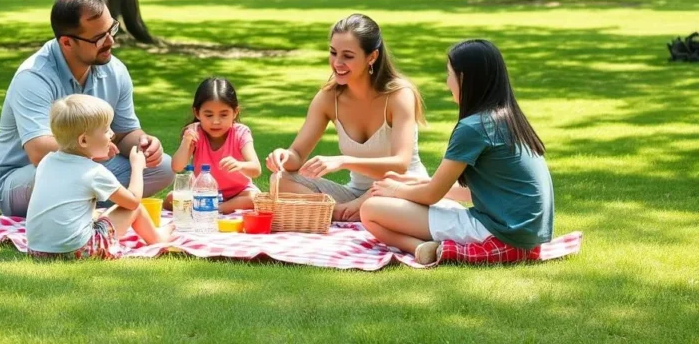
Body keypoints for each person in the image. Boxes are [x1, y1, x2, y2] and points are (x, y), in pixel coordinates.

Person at [360, 39, 554, 265]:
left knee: (371, 210)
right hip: (525, 235)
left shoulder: (473, 127)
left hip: (500, 232)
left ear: (463, 79)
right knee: (416, 203)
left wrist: (396, 190)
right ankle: (427, 245)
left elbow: (432, 194)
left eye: (449, 74)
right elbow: (479, 193)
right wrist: (414, 184)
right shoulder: (508, 119)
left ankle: (420, 248)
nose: (446, 82)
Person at [0, 0, 174, 217]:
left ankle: (84, 209)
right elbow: (38, 152)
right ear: (67, 42)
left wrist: (144, 143)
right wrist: (95, 150)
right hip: (27, 177)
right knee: (67, 173)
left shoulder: (114, 70)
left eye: (111, 29)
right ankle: (93, 206)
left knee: (162, 167)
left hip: (89, 167)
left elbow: (125, 133)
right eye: (99, 38)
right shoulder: (33, 77)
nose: (110, 42)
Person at [265, 14, 429, 221]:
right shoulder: (328, 98)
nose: (337, 63)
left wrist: (343, 161)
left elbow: (400, 164)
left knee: (386, 199)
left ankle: (344, 213)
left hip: (401, 190)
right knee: (280, 180)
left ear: (372, 57)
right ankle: (344, 212)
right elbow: (297, 154)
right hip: (354, 194)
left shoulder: (398, 95)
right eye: (333, 53)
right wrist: (284, 157)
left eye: (348, 56)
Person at [26, 95, 173, 259]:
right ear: (83, 140)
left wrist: (94, 152)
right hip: (79, 251)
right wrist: (137, 166)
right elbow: (132, 202)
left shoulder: (47, 161)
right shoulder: (94, 172)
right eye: (106, 130)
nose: (112, 135)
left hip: (38, 251)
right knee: (134, 208)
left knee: (97, 214)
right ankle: (157, 238)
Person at [167, 77, 262, 213]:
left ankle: (216, 209)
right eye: (209, 115)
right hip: (204, 193)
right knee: (171, 198)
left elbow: (256, 169)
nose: (216, 121)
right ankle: (209, 207)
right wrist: (186, 142)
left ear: (235, 112)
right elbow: (176, 166)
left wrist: (240, 165)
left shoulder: (241, 132)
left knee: (254, 197)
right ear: (197, 113)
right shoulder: (194, 133)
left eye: (223, 115)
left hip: (239, 193)